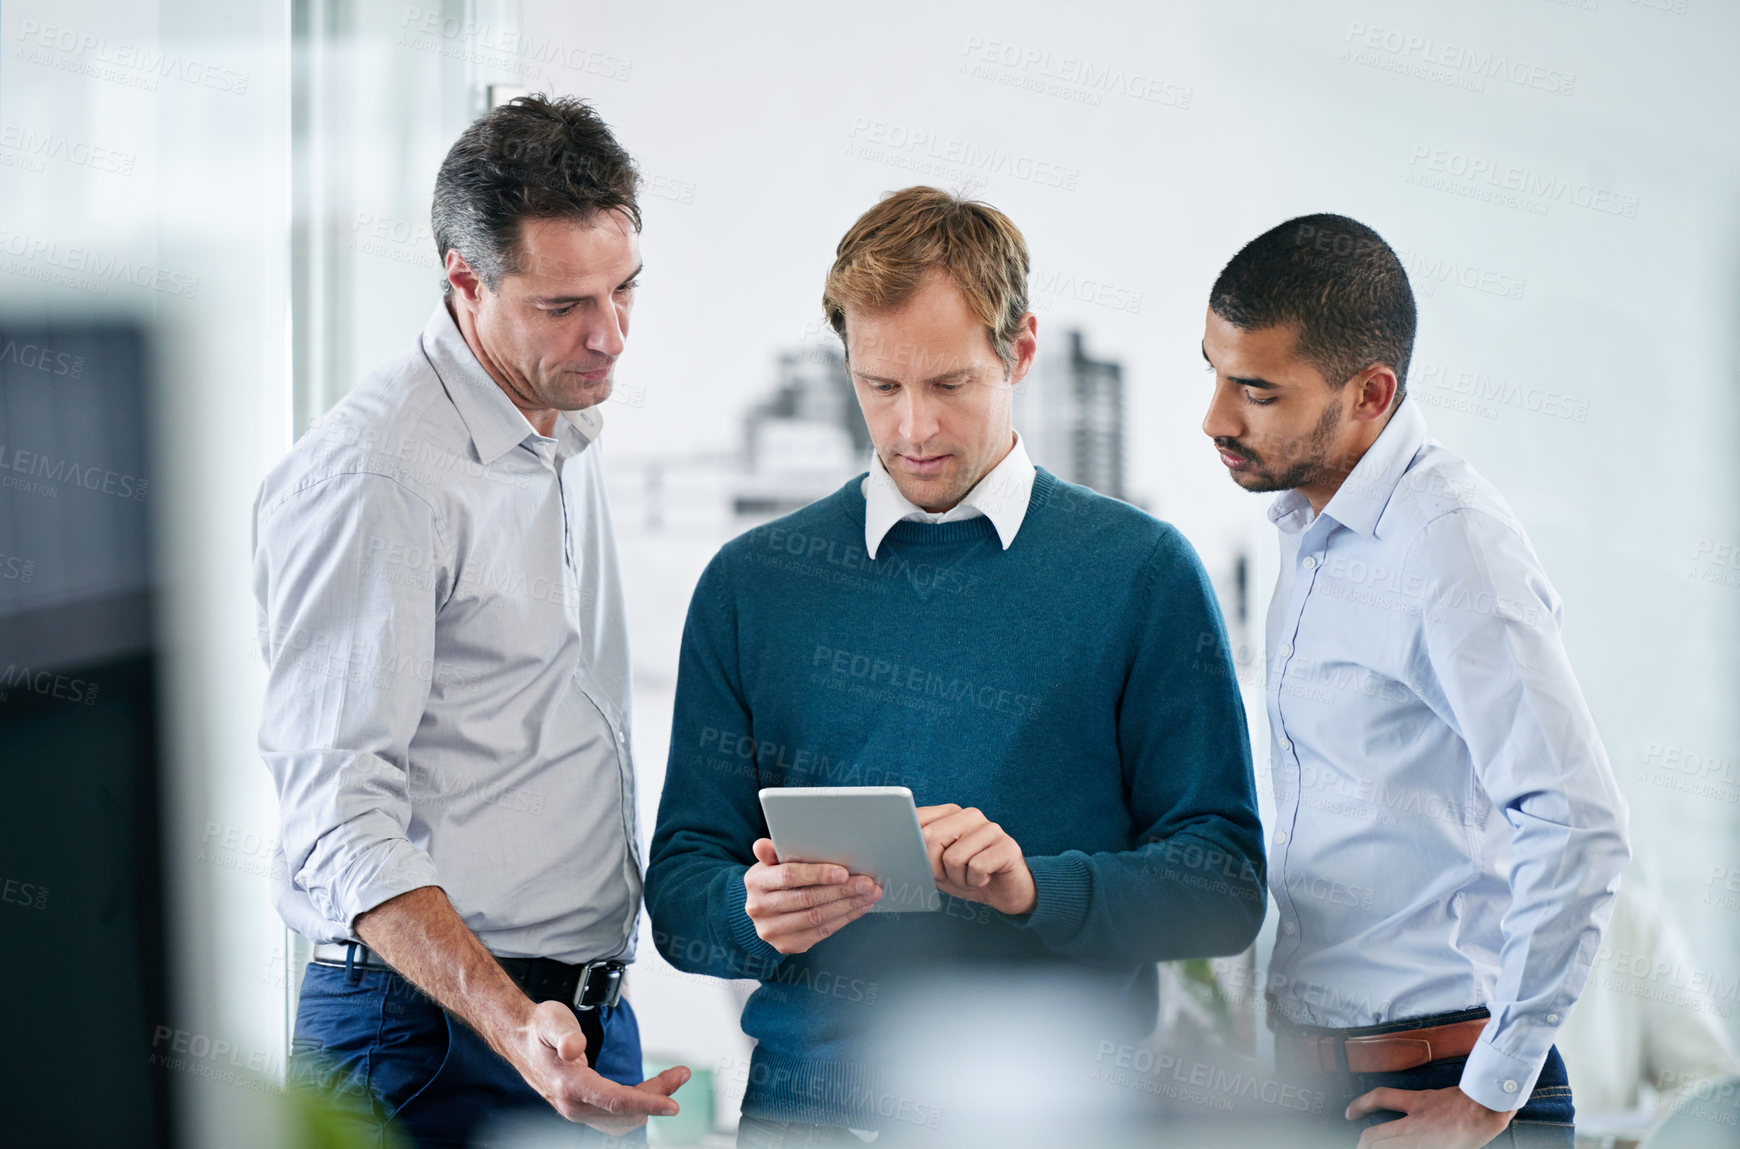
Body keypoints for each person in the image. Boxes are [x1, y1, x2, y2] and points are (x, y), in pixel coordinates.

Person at [646, 186, 1267, 1142]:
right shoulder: (751, 585)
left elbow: (1222, 884)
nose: (912, 431)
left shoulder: (1140, 573)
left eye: (949, 384)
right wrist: (750, 909)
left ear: (1018, 351)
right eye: (880, 387)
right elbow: (682, 888)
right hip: (807, 1114)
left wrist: (1034, 887)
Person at [253, 94, 687, 1147]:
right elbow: (338, 819)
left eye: (626, 289)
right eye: (563, 304)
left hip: (572, 1027)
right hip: (429, 1034)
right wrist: (505, 1018)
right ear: (464, 278)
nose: (609, 335)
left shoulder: (559, 413)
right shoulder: (379, 479)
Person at [1199, 213, 1630, 1148]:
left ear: (1370, 393)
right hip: (1321, 1086)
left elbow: (1579, 821)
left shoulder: (1450, 541)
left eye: (1257, 391)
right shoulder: (1306, 532)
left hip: (1442, 1087)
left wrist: (1488, 1096)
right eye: (1216, 374)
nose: (1217, 419)